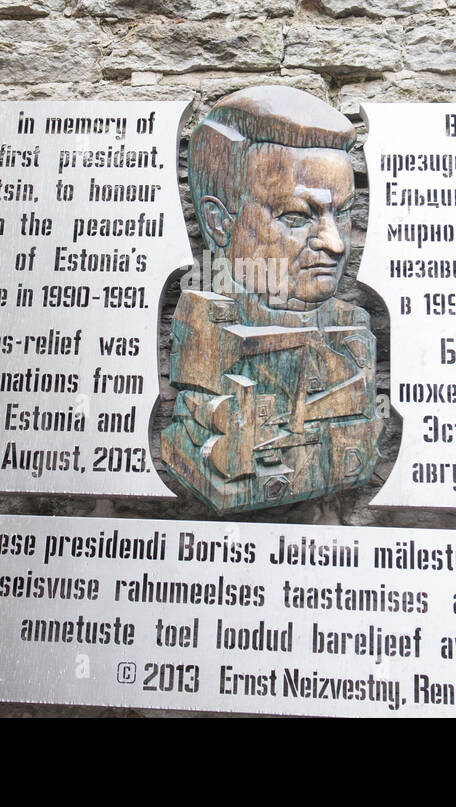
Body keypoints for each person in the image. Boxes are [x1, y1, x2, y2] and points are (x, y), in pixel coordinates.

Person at [160, 86, 384, 514]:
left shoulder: (350, 332)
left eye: (343, 213)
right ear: (219, 223)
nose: (336, 245)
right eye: (297, 218)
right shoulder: (209, 329)